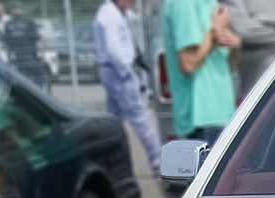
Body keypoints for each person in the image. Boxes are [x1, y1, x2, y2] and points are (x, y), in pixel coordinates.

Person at [94, 0, 163, 172]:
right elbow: (114, 49)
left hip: (112, 70)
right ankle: (159, 162)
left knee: (113, 121)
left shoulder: (110, 12)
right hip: (118, 72)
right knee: (141, 117)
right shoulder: (109, 14)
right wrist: (127, 74)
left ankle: (107, 164)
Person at [163, 0, 240, 144]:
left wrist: (235, 44)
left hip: (224, 116)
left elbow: (226, 65)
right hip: (201, 121)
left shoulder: (212, 4)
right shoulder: (183, 4)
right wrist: (213, 30)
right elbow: (188, 62)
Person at [1, 5, 49, 90]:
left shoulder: (9, 24)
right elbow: (37, 39)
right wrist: (42, 54)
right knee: (39, 76)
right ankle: (39, 94)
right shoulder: (28, 22)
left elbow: (6, 42)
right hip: (30, 55)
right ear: (21, 11)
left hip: (16, 57)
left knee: (21, 78)